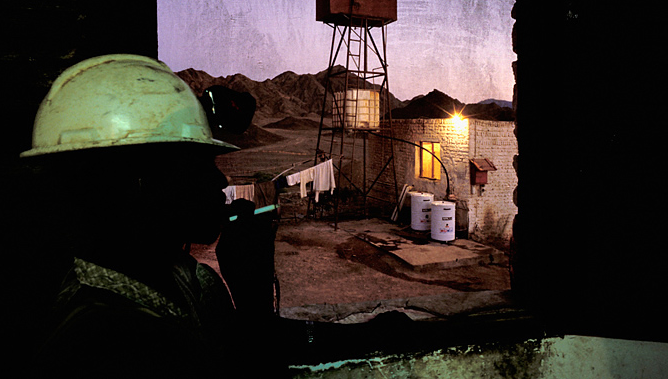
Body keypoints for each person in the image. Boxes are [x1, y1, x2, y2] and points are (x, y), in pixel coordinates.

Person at [25, 54, 412, 378]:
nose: (220, 179)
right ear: (136, 184)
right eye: (197, 165)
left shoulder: (180, 276)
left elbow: (255, 340)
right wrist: (253, 291)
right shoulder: (106, 340)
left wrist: (366, 336)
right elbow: (248, 362)